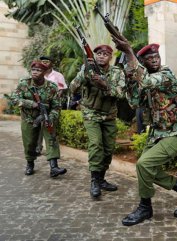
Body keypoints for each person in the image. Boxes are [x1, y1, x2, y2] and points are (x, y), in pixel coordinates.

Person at [112, 39, 177, 226]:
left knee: (144, 164)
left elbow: (146, 80)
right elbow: (135, 102)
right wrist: (129, 76)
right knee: (144, 168)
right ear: (143, 62)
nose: (154, 60)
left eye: (156, 56)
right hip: (160, 132)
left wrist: (129, 51)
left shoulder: (165, 75)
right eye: (150, 58)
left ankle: (145, 208)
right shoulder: (146, 80)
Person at [69, 44, 126, 199]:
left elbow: (121, 94)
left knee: (108, 149)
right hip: (91, 113)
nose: (101, 56)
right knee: (96, 144)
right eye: (98, 53)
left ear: (110, 57)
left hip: (109, 116)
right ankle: (94, 180)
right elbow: (72, 88)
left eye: (105, 54)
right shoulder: (86, 69)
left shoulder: (117, 73)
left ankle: (101, 179)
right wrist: (83, 74)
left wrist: (105, 85)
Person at [10, 60, 67, 177]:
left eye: (39, 70)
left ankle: (54, 167)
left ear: (45, 72)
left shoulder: (51, 87)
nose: (35, 72)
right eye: (33, 70)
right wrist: (32, 104)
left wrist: (50, 118)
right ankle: (30, 163)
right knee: (30, 143)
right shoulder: (24, 83)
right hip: (29, 118)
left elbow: (57, 106)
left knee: (51, 138)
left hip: (46, 117)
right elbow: (14, 99)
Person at [35, 56, 68, 156]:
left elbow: (61, 90)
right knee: (38, 127)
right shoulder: (38, 73)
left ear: (51, 63)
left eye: (47, 61)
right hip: (39, 104)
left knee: (51, 127)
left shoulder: (58, 75)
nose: (44, 63)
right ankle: (38, 148)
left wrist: (55, 100)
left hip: (53, 106)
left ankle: (52, 150)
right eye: (43, 61)